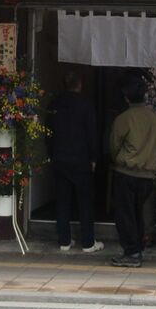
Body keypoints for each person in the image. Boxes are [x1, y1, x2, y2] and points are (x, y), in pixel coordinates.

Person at [108, 74, 156, 268]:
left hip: (127, 172)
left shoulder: (124, 118)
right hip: (148, 175)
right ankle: (138, 248)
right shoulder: (155, 118)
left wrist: (118, 159)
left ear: (126, 97)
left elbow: (114, 146)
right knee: (139, 213)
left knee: (125, 215)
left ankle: (131, 253)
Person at [47, 71, 103, 253]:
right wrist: (94, 157)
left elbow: (48, 133)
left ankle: (64, 241)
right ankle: (88, 242)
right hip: (81, 159)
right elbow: (92, 134)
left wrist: (51, 154)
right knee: (85, 201)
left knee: (62, 200)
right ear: (80, 84)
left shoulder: (54, 104)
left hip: (60, 158)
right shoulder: (86, 104)